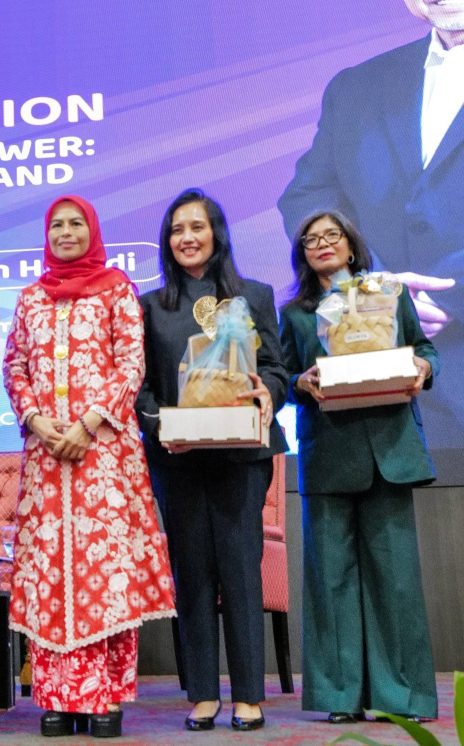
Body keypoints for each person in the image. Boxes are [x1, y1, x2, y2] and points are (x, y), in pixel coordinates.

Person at [2, 196, 176, 739]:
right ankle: (56, 698)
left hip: (103, 454)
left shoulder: (116, 289)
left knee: (103, 572)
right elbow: (14, 364)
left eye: (77, 223)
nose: (66, 232)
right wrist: (35, 418)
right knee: (52, 571)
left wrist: (89, 422)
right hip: (47, 456)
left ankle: (104, 697)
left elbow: (131, 361)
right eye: (57, 225)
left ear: (93, 230)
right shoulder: (31, 298)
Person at [135, 189, 289, 733]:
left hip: (241, 456)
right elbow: (142, 389)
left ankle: (249, 694)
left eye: (197, 227)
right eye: (177, 229)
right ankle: (202, 692)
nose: (187, 238)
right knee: (193, 574)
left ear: (217, 233)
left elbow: (277, 370)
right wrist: (162, 427)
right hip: (178, 457)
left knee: (241, 573)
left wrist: (265, 390)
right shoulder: (151, 307)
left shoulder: (255, 295)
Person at [277, 0, 464, 440]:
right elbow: (307, 196)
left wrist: (455, 293)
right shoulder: (357, 86)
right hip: (380, 389)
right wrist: (373, 287)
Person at [279, 211, 439, 723]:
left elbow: (424, 347)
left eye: (332, 236)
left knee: (395, 581)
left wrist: (423, 366)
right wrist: (300, 383)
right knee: (331, 581)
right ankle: (339, 696)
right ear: (303, 253)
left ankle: (403, 698)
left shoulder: (389, 294)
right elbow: (282, 377)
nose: (322, 244)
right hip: (328, 453)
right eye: (311, 239)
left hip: (390, 452)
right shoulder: (299, 313)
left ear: (351, 246)